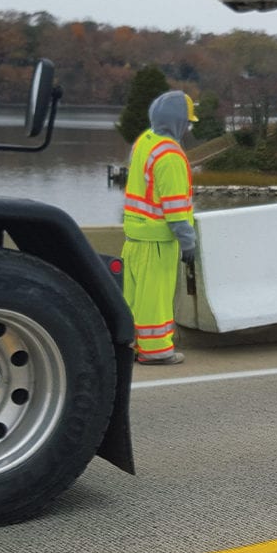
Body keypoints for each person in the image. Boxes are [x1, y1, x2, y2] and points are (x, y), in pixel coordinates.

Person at [121, 90, 199, 365]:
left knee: (133, 298)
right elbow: (176, 211)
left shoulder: (145, 142)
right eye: (187, 122)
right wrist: (188, 243)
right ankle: (156, 351)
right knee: (154, 299)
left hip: (134, 236)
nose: (188, 127)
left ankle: (129, 346)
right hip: (157, 240)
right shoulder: (171, 157)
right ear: (179, 121)